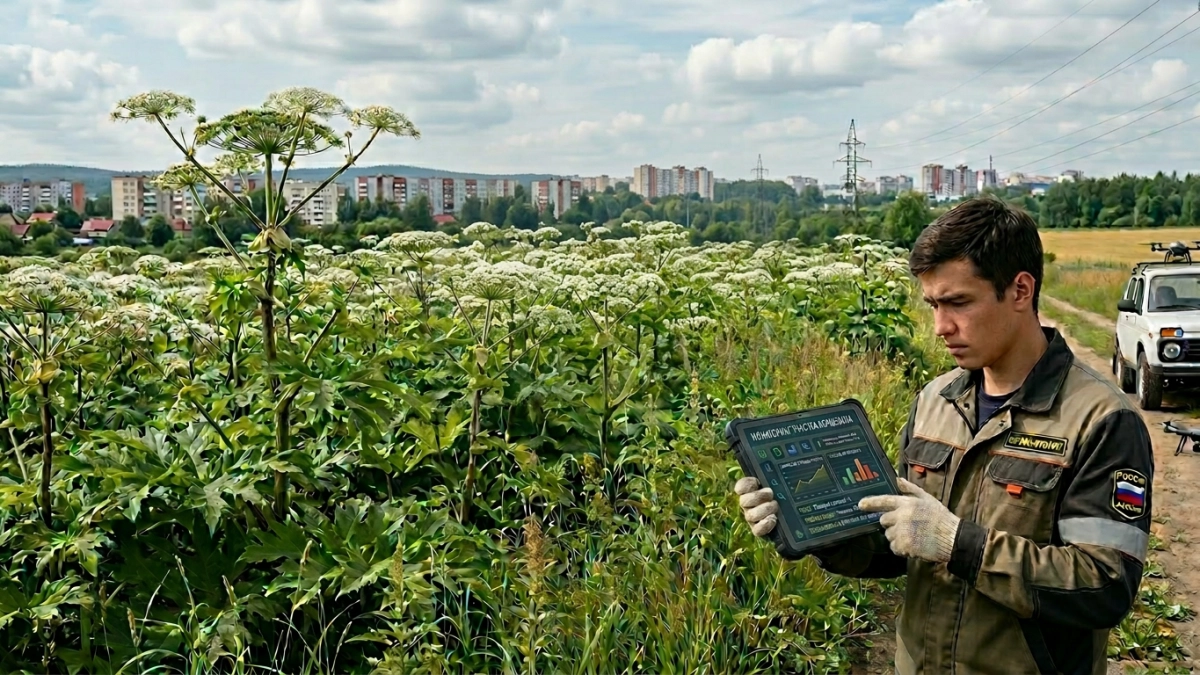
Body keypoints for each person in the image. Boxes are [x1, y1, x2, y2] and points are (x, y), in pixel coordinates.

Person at [735, 196, 1154, 675]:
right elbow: (898, 546)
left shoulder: (1101, 420)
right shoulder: (934, 402)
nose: (940, 327)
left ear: (1020, 290)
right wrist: (811, 526)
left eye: (958, 303)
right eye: (933, 304)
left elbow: (1104, 585)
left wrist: (958, 544)